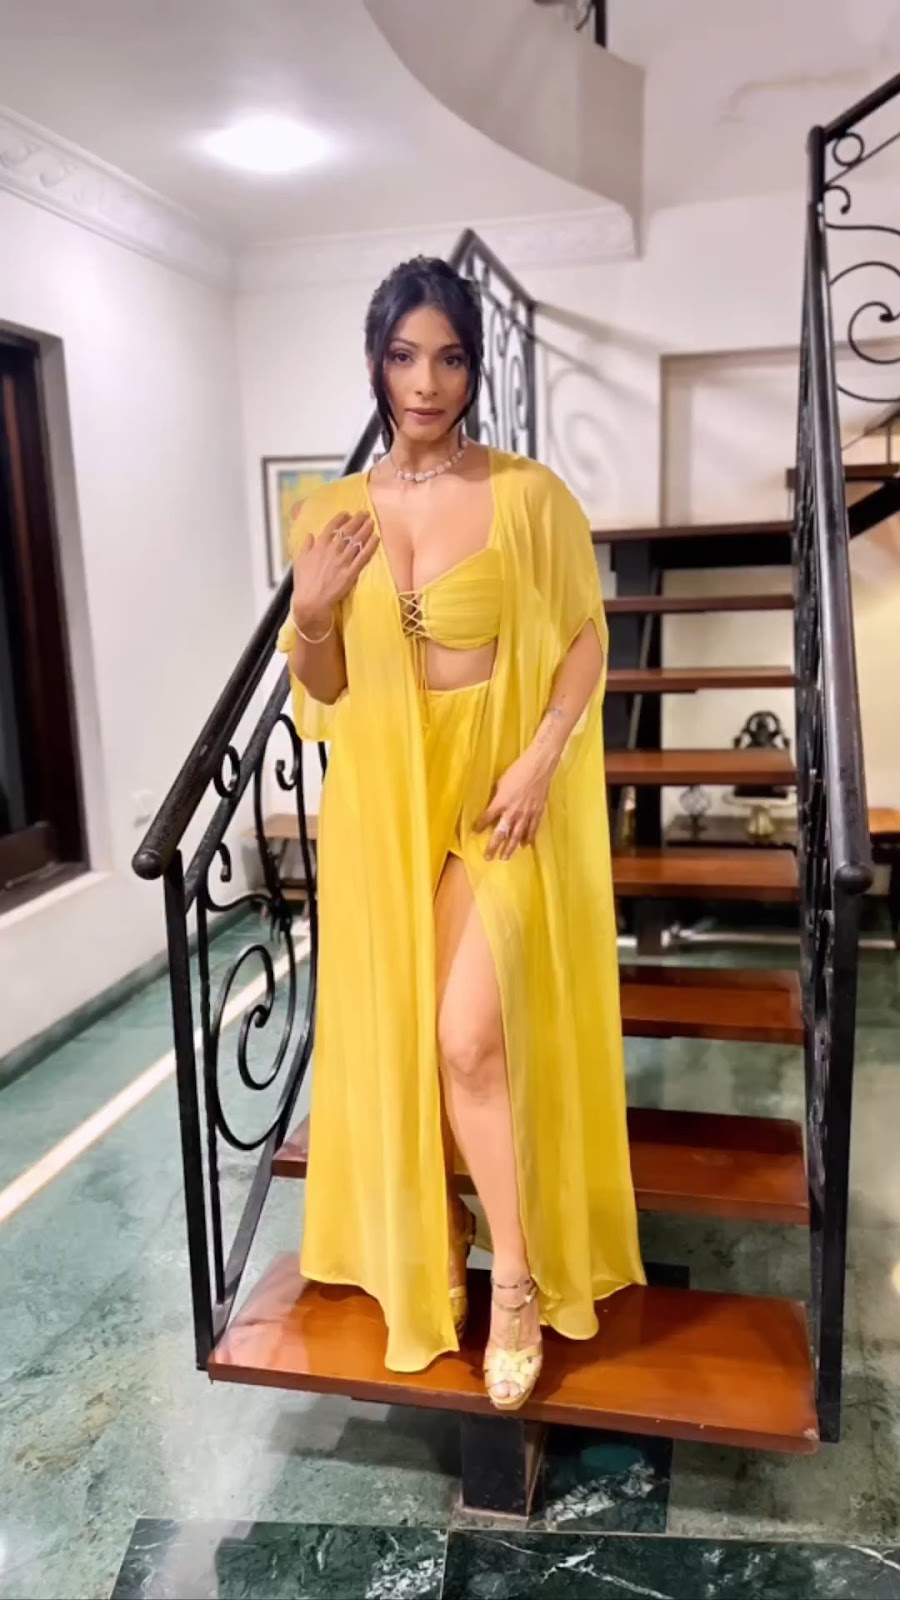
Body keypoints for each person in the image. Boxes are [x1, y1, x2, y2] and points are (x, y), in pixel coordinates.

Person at [278, 256, 644, 1411]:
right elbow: (325, 692)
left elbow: (584, 638)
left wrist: (542, 758)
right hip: (383, 808)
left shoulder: (529, 496)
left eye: (448, 357)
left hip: (495, 804)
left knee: (467, 1038)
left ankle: (519, 1284)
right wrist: (311, 615)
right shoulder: (329, 516)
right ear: (375, 363)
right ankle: (434, 1231)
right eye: (404, 356)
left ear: (476, 368)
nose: (425, 382)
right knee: (405, 1038)